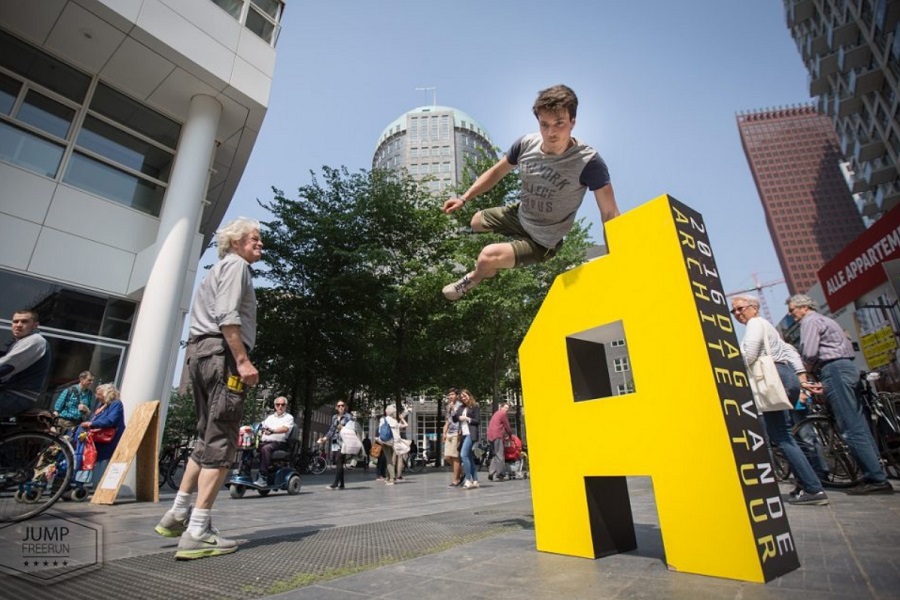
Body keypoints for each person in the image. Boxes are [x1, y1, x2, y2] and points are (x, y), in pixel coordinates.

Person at [441, 84, 620, 301]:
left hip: (543, 241)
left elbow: (609, 213)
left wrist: (617, 255)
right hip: (520, 215)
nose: (551, 133)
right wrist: (464, 198)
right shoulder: (526, 145)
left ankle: (475, 277)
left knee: (487, 256)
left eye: (559, 124)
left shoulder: (589, 162)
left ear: (573, 121)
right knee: (475, 221)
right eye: (544, 125)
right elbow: (496, 173)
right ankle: (498, 254)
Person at [155, 217, 263, 560]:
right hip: (223, 356)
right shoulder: (236, 268)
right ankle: (197, 531)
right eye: (254, 239)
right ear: (236, 243)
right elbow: (228, 315)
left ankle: (177, 513)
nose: (260, 245)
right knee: (223, 438)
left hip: (199, 353)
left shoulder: (215, 271)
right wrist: (242, 361)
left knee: (205, 435)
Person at [787, 294, 893, 495]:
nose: (792, 315)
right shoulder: (826, 320)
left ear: (804, 307)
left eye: (792, 310)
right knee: (859, 423)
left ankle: (875, 478)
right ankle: (876, 473)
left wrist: (804, 373)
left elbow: (809, 352)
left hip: (833, 369)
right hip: (847, 368)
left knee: (849, 426)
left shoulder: (809, 321)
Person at [731, 295, 828, 506]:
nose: (738, 313)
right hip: (785, 376)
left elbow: (749, 354)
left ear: (754, 308)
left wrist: (730, 365)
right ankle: (805, 485)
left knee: (781, 435)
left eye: (740, 308)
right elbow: (789, 351)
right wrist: (800, 377)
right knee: (787, 433)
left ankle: (813, 488)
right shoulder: (768, 327)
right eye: (734, 311)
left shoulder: (755, 323)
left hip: (774, 377)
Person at [0, 309, 51, 418]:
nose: (18, 325)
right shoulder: (20, 341)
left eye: (24, 321)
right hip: (11, 393)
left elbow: (7, 365)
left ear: (35, 325)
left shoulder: (35, 341)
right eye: (15, 321)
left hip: (18, 396)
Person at [77, 382, 126, 487]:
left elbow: (110, 420)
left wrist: (92, 424)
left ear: (107, 394)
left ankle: (95, 484)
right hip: (97, 437)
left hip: (108, 438)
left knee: (101, 460)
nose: (97, 396)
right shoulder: (102, 405)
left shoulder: (116, 404)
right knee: (87, 457)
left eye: (99, 394)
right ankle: (83, 482)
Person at [254, 396, 294, 487]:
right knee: (248, 448)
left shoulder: (289, 417)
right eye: (278, 404)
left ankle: (263, 476)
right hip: (265, 442)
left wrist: (273, 431)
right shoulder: (270, 417)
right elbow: (261, 426)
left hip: (279, 443)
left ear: (286, 406)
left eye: (282, 405)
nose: (280, 406)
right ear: (275, 406)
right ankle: (243, 471)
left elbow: (285, 428)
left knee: (266, 448)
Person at [318, 400, 353, 490]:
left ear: (345, 407)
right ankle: (342, 484)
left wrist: (343, 427)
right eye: (339, 405)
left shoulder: (348, 416)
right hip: (335, 441)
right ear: (336, 407)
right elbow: (331, 430)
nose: (341, 407)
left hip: (344, 440)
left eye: (342, 405)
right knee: (339, 461)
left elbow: (352, 429)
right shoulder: (334, 417)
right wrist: (324, 439)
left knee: (339, 459)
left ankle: (335, 484)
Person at [453, 389, 481, 489]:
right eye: (462, 397)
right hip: (464, 434)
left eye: (465, 396)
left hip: (471, 434)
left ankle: (468, 480)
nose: (463, 398)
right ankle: (476, 480)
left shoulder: (475, 406)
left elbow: (477, 421)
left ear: (469, 395)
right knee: (469, 457)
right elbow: (454, 419)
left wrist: (467, 419)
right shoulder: (461, 407)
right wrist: (453, 411)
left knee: (463, 454)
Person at [441, 388, 464, 487]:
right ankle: (462, 472)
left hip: (456, 432)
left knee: (454, 457)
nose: (450, 397)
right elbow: (447, 420)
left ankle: (456, 480)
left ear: (456, 395)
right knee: (446, 457)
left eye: (452, 394)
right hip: (449, 433)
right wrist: (444, 432)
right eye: (449, 395)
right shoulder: (448, 407)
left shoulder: (460, 406)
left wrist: (460, 433)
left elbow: (460, 418)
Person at [487, 401, 513, 482]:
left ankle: (491, 472)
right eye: (505, 408)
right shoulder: (502, 414)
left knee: (496, 455)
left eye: (507, 409)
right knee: (500, 455)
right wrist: (510, 435)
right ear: (501, 407)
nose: (506, 410)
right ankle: (500, 474)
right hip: (497, 435)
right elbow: (507, 426)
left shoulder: (496, 413)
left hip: (490, 436)